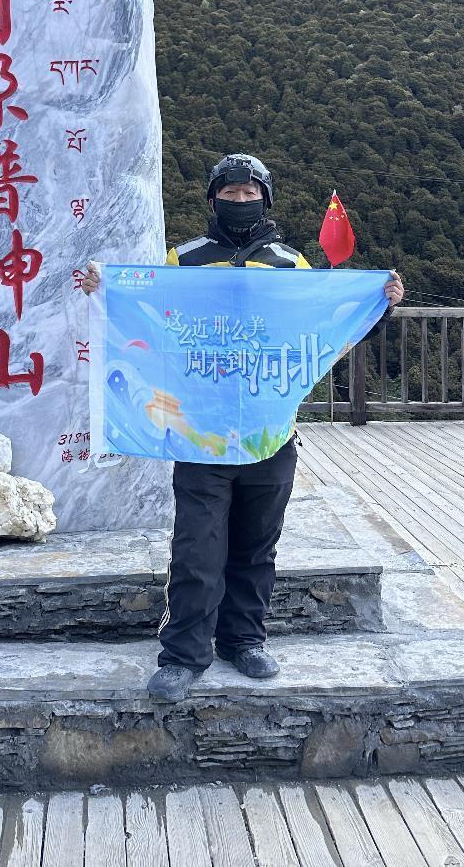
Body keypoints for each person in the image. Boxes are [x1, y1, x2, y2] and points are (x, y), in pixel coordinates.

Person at [82, 153, 403, 702]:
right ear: (213, 199)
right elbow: (152, 317)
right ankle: (184, 654)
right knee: (197, 548)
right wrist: (105, 289)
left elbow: (322, 326)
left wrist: (380, 305)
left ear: (265, 200)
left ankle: (244, 640)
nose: (239, 201)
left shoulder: (290, 263)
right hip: (200, 432)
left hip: (267, 431)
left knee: (257, 546)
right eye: (229, 194)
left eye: (249, 193)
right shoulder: (184, 259)